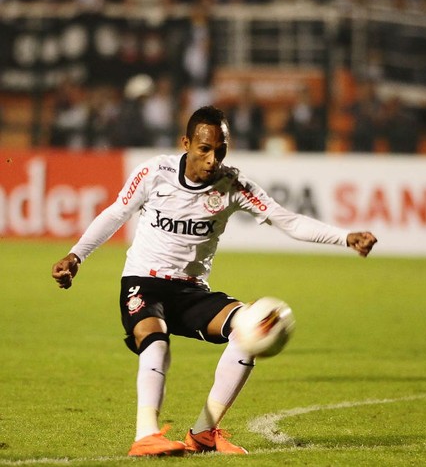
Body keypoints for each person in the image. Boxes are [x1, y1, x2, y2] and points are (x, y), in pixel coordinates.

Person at [51, 105, 377, 457]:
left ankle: (204, 432)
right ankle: (146, 434)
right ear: (186, 143)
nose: (211, 159)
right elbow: (117, 212)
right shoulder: (154, 172)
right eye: (204, 149)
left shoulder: (232, 185)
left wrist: (345, 237)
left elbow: (289, 221)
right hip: (144, 281)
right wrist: (76, 255)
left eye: (219, 150)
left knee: (253, 328)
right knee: (155, 340)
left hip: (192, 291)